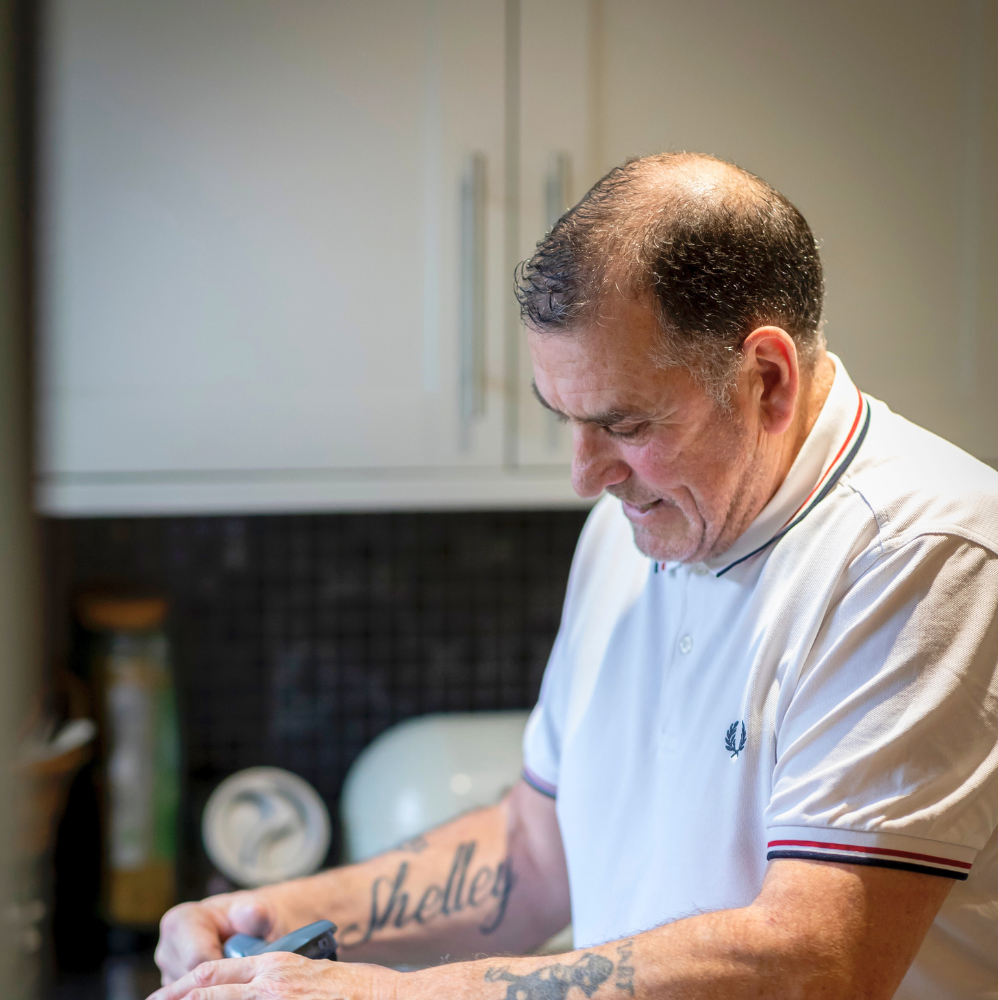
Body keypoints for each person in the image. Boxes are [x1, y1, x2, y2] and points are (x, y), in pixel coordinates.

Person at [151, 153, 998, 1000]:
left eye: (622, 423)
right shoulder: (636, 526)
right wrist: (261, 917)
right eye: (564, 419)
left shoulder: (926, 553)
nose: (584, 475)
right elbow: (536, 853)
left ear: (766, 379)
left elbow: (817, 960)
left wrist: (391, 995)